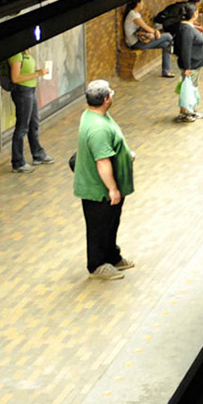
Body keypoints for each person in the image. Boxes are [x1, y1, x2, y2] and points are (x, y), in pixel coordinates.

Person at [74, 80, 136, 280]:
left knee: (110, 223)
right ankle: (97, 265)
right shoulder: (98, 128)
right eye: (111, 93)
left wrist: (125, 153)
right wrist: (113, 189)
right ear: (106, 99)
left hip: (105, 188)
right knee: (99, 228)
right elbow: (102, 161)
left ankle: (112, 257)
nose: (112, 95)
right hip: (98, 190)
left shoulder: (95, 114)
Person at [6, 48, 54, 172]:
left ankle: (38, 154)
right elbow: (15, 78)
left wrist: (38, 73)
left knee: (34, 123)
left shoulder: (26, 52)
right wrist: (37, 74)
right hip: (22, 92)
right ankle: (18, 162)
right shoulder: (17, 54)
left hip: (31, 90)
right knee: (22, 127)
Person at [121, 0, 176, 78]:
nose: (143, 3)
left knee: (166, 44)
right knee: (168, 36)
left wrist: (154, 32)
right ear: (138, 3)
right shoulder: (133, 15)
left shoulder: (136, 14)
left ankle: (166, 71)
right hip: (136, 43)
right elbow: (146, 27)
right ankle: (179, 52)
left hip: (140, 41)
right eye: (142, 2)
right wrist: (156, 31)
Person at [172, 16, 203, 121]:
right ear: (194, 14)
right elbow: (185, 49)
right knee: (188, 88)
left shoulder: (187, 28)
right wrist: (187, 67)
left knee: (191, 87)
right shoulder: (186, 30)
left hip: (194, 64)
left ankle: (190, 110)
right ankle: (185, 112)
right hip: (191, 65)